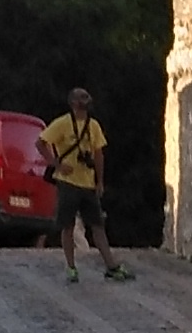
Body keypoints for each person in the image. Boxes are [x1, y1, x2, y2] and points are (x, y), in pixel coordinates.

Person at [41, 84, 130, 283]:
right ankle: (71, 267)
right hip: (67, 182)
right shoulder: (63, 123)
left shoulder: (94, 126)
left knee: (98, 225)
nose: (87, 100)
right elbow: (40, 142)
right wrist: (56, 164)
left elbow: (99, 155)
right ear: (73, 102)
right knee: (68, 226)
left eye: (87, 96)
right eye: (82, 97)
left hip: (88, 184)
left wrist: (99, 181)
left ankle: (111, 266)